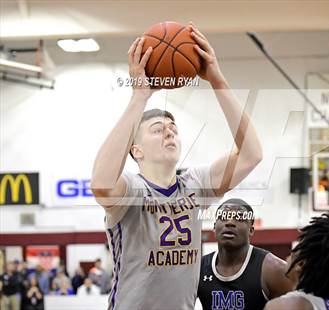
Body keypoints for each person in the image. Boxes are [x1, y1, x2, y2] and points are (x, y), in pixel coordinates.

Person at [91, 22, 262, 310]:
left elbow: (251, 154)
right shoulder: (132, 190)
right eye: (158, 128)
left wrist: (218, 80)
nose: (169, 132)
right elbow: (101, 183)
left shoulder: (194, 183)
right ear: (136, 150)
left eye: (173, 127)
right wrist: (139, 97)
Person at [197, 199, 294, 310]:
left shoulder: (274, 269)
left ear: (251, 230)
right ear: (214, 227)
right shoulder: (199, 268)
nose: (229, 222)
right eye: (223, 217)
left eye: (239, 218)